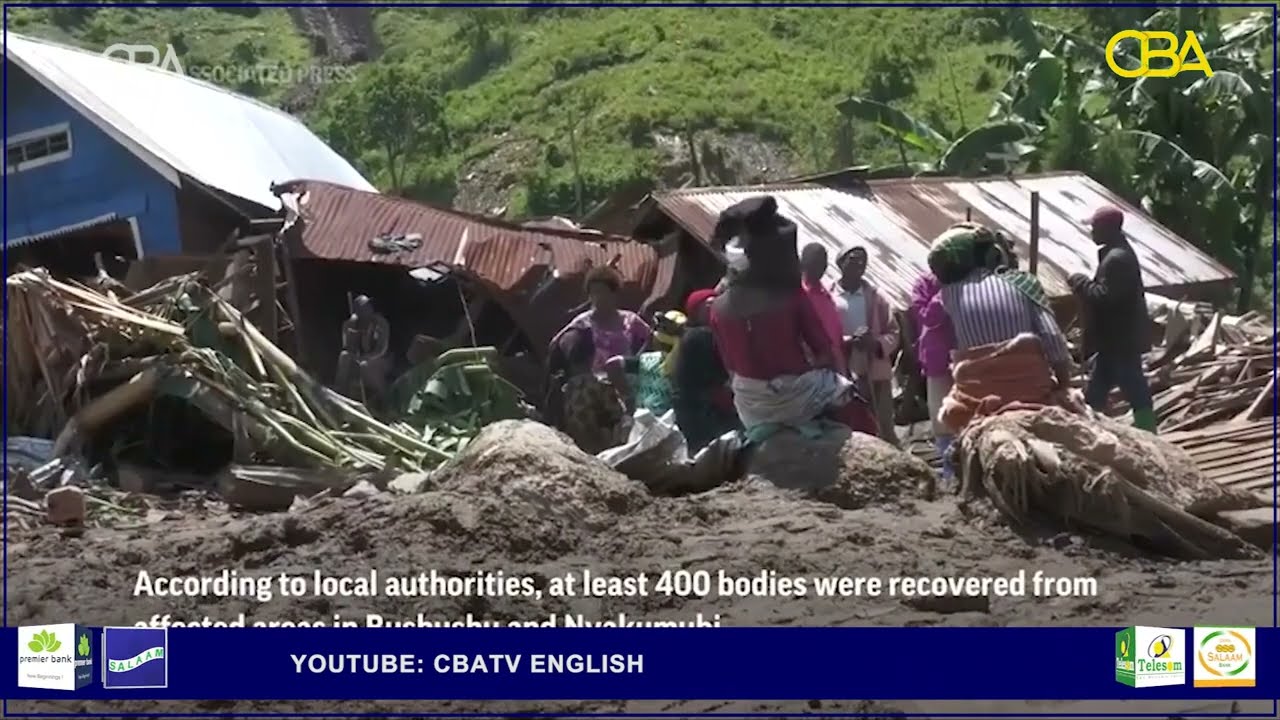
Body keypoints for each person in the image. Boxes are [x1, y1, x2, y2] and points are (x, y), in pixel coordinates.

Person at [706, 196, 878, 440]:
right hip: (799, 397)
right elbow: (825, 353)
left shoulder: (717, 307)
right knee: (856, 409)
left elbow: (730, 367)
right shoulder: (792, 298)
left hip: (750, 406)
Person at [929, 223, 1077, 434]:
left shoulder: (947, 295)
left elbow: (946, 343)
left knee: (951, 419)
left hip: (975, 400)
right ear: (991, 255)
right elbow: (1053, 338)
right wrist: (1064, 384)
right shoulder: (1023, 283)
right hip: (1031, 394)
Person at [1069, 206, 1156, 433]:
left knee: (1134, 387)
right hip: (1114, 340)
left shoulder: (1117, 259)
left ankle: (1150, 432)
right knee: (1098, 389)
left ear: (1107, 229)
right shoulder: (1116, 254)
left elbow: (1105, 297)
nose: (1091, 232)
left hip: (1120, 340)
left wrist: (1081, 282)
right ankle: (1088, 431)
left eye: (1095, 227)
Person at [832, 247, 900, 446]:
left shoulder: (876, 297)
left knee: (884, 424)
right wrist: (849, 340)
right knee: (853, 427)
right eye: (853, 259)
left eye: (863, 260)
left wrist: (876, 344)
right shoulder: (829, 296)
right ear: (841, 263)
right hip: (844, 372)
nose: (859, 264)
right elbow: (825, 334)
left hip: (875, 371)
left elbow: (894, 332)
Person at [672, 288, 740, 451]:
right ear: (696, 312)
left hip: (698, 404)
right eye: (709, 305)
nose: (715, 308)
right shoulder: (700, 336)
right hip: (698, 407)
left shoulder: (708, 335)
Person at [552, 265, 653, 373]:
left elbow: (652, 340)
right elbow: (556, 343)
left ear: (614, 294)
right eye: (594, 292)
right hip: (593, 385)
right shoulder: (583, 323)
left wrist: (637, 363)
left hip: (626, 382)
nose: (599, 297)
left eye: (603, 292)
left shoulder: (630, 321)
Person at [547, 327, 628, 454]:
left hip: (576, 449)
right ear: (592, 355)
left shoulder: (566, 390)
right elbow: (618, 417)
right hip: (601, 450)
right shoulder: (601, 387)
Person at [910, 271, 956, 480]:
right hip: (937, 359)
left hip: (963, 358)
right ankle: (949, 473)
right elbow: (927, 316)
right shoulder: (924, 284)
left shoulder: (963, 279)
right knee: (941, 420)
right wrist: (944, 293)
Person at [799, 243, 847, 376]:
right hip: (806, 371)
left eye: (822, 264)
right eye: (814, 263)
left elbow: (836, 340)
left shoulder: (827, 298)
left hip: (832, 371)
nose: (820, 268)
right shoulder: (796, 295)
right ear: (803, 264)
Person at [336, 295, 391, 406]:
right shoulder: (351, 324)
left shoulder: (380, 323)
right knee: (344, 356)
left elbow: (382, 349)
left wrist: (366, 358)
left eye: (368, 307)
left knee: (366, 366)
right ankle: (341, 392)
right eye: (363, 309)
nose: (367, 310)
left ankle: (384, 401)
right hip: (359, 356)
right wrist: (351, 333)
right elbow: (347, 347)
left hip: (380, 358)